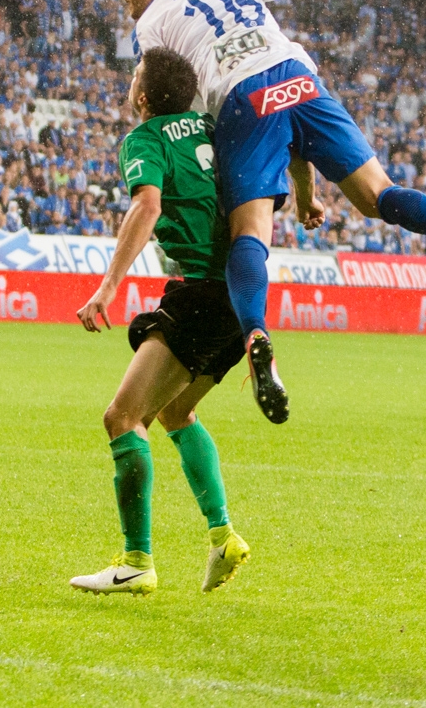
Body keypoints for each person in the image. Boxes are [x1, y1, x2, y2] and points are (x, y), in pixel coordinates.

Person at [113, 0, 426, 425]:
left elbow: (172, 106)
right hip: (297, 77)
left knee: (250, 234)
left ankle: (257, 333)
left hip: (241, 94)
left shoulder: (152, 26)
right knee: (376, 194)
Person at [70, 48, 320, 596]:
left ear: (142, 96)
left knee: (122, 418)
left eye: (134, 77)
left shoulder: (146, 139)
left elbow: (148, 206)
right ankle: (223, 535)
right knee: (175, 412)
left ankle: (137, 561)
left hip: (200, 293)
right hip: (242, 293)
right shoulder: (212, 125)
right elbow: (290, 130)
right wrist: (306, 191)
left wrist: (106, 287)